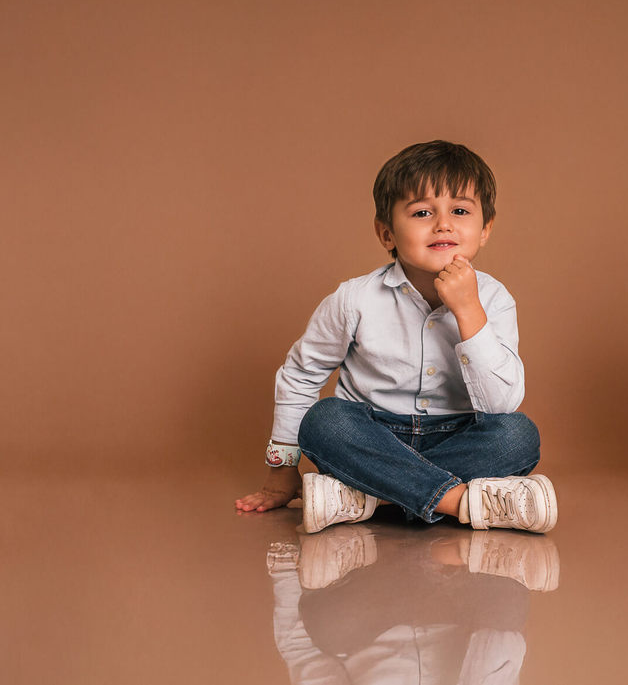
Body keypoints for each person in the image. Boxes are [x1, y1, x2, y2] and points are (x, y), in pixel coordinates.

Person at [235, 140, 556, 534]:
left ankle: (368, 496)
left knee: (518, 435)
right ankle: (458, 501)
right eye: (422, 212)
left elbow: (500, 404)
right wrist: (281, 472)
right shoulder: (354, 298)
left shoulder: (495, 299)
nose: (443, 224)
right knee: (325, 422)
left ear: (485, 229)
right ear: (386, 233)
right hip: (373, 435)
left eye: (459, 211)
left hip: (456, 435)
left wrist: (469, 311)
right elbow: (302, 374)